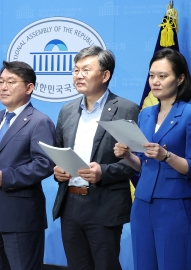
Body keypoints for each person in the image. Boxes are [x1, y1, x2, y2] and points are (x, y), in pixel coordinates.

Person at [114, 48, 191, 270]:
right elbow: (142, 165)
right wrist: (127, 155)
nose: (155, 82)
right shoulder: (145, 113)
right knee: (143, 264)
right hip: (142, 204)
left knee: (173, 264)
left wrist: (166, 156)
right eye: (151, 75)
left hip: (173, 205)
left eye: (162, 76)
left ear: (180, 78)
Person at [51, 46, 140, 270]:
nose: (78, 75)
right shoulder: (67, 111)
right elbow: (58, 152)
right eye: (75, 70)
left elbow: (137, 161)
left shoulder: (126, 109)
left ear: (105, 75)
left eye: (86, 70)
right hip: (70, 203)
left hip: (104, 204)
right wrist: (58, 170)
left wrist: (104, 172)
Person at [0, 61, 55, 270]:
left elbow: (45, 163)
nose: (3, 87)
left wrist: (7, 176)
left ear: (29, 87)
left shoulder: (39, 121)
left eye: (10, 82)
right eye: (0, 82)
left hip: (21, 218)